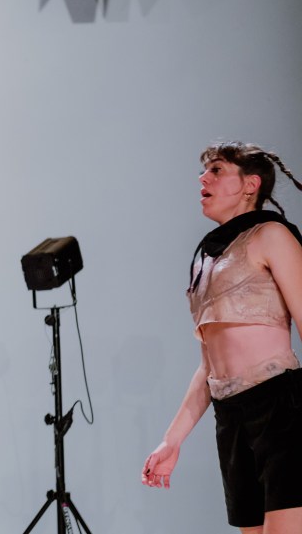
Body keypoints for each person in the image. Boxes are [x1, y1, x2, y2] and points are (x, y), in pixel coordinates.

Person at [142, 141, 302, 534]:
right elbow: (209, 365)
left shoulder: (271, 235)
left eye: (216, 170)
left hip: (281, 407)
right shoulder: (206, 257)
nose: (203, 178)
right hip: (230, 416)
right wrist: (172, 440)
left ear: (250, 185)